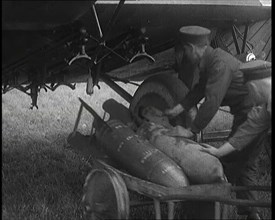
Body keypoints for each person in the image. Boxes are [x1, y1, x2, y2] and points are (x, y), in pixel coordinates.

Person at [164, 25, 268, 220]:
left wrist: (191, 130)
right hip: (248, 112)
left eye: (185, 51)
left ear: (192, 48)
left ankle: (207, 211)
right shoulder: (211, 60)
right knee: (246, 165)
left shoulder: (219, 64)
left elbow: (212, 101)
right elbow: (199, 90)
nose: (185, 56)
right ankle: (253, 213)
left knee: (225, 165)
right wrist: (177, 109)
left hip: (250, 114)